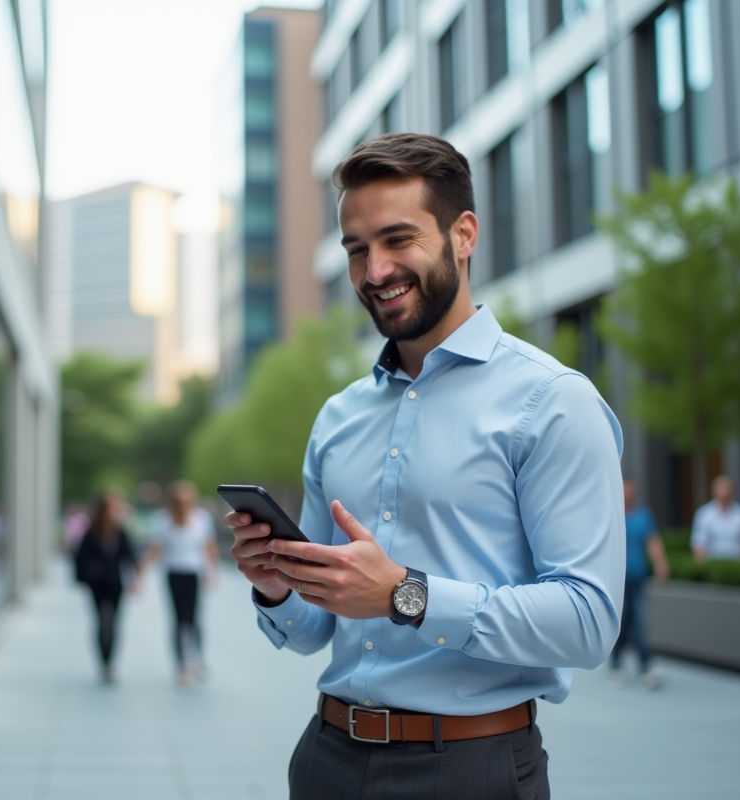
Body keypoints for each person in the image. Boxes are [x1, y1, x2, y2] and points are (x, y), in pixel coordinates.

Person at [225, 133, 624, 800]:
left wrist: (404, 594)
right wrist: (277, 585)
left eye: (397, 239)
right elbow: (315, 630)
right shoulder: (338, 417)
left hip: (469, 768)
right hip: (326, 760)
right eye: (357, 249)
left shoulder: (553, 402)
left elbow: (588, 622)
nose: (375, 270)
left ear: (463, 235)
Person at [138, 480, 219, 686]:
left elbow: (208, 546)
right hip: (174, 572)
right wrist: (142, 573)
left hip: (194, 572)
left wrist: (212, 571)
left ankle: (198, 656)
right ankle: (182, 665)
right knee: (178, 619)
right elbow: (156, 548)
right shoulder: (163, 519)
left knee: (194, 618)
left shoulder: (201, 518)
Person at [610, 478, 669, 689]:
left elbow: (652, 540)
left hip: (638, 578)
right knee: (624, 623)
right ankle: (618, 661)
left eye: (631, 490)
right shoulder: (612, 514)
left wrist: (660, 563)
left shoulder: (643, 515)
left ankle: (645, 665)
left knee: (640, 621)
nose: (628, 494)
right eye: (625, 490)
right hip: (617, 581)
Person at [74, 488, 137, 684]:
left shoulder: (119, 532)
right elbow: (80, 559)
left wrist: (134, 579)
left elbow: (129, 556)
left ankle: (110, 662)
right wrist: (82, 579)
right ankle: (103, 661)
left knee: (113, 622)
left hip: (115, 583)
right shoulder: (91, 533)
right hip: (97, 584)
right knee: (101, 622)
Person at [691, 474, 740, 562]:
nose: (724, 493)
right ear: (714, 491)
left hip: (739, 563)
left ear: (733, 491)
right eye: (721, 489)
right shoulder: (704, 514)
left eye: (727, 489)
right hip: (713, 564)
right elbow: (698, 543)